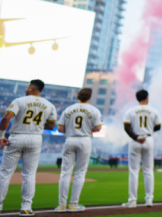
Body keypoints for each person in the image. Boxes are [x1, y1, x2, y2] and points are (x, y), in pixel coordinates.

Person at [0, 79, 57, 215]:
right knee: (29, 174)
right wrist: (36, 124)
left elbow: (6, 118)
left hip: (17, 136)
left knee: (5, 174)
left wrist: (1, 135)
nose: (26, 88)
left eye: (27, 86)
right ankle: (26, 207)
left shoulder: (19, 101)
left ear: (31, 88)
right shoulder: (50, 105)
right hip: (35, 138)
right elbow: (51, 126)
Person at [55, 88, 103, 212]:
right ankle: (73, 205)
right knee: (80, 173)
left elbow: (60, 129)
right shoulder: (94, 110)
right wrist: (86, 129)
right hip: (85, 140)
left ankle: (61, 205)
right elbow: (98, 128)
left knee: (65, 173)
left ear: (78, 96)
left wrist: (72, 130)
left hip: (70, 139)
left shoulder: (68, 109)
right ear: (89, 97)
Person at [122, 89, 162, 208]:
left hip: (135, 140)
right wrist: (147, 133)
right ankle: (149, 199)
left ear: (137, 98)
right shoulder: (153, 110)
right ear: (147, 97)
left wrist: (136, 137)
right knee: (148, 170)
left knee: (134, 171)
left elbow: (126, 127)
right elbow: (158, 126)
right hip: (148, 139)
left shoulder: (130, 111)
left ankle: (132, 200)